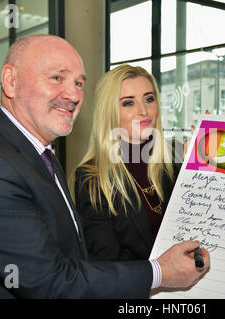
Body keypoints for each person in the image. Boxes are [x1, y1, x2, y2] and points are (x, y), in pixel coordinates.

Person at [0, 35, 209, 298]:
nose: (73, 94)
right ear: (10, 81)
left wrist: (204, 158)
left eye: (79, 83)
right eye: (57, 77)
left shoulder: (41, 154)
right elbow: (49, 281)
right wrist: (161, 272)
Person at [74, 65, 184, 262]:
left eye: (149, 99)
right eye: (128, 103)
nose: (143, 111)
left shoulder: (176, 155)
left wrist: (204, 166)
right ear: (109, 111)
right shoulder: (93, 177)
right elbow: (107, 266)